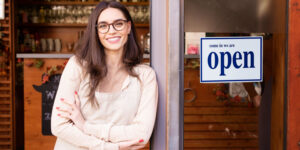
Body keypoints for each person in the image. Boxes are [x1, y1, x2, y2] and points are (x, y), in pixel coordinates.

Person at [51, 1, 158, 150]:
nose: (111, 31)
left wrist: (85, 126)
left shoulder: (145, 76)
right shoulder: (78, 66)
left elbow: (141, 134)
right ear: (95, 32)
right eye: (103, 26)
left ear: (128, 27)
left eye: (118, 24)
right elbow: (59, 126)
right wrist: (110, 147)